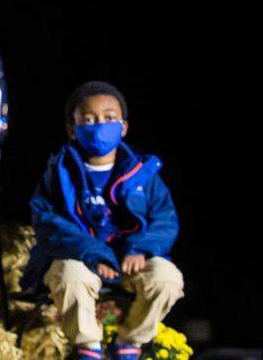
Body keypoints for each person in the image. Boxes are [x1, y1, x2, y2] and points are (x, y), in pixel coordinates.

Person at [21, 81, 184, 360]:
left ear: (123, 127)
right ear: (72, 129)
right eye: (89, 119)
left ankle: (130, 341)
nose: (100, 125)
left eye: (109, 118)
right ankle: (89, 348)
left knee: (167, 279)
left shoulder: (143, 173)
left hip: (130, 259)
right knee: (72, 278)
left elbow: (165, 220)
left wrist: (139, 249)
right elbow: (47, 221)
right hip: (78, 257)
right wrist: (97, 255)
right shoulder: (59, 173)